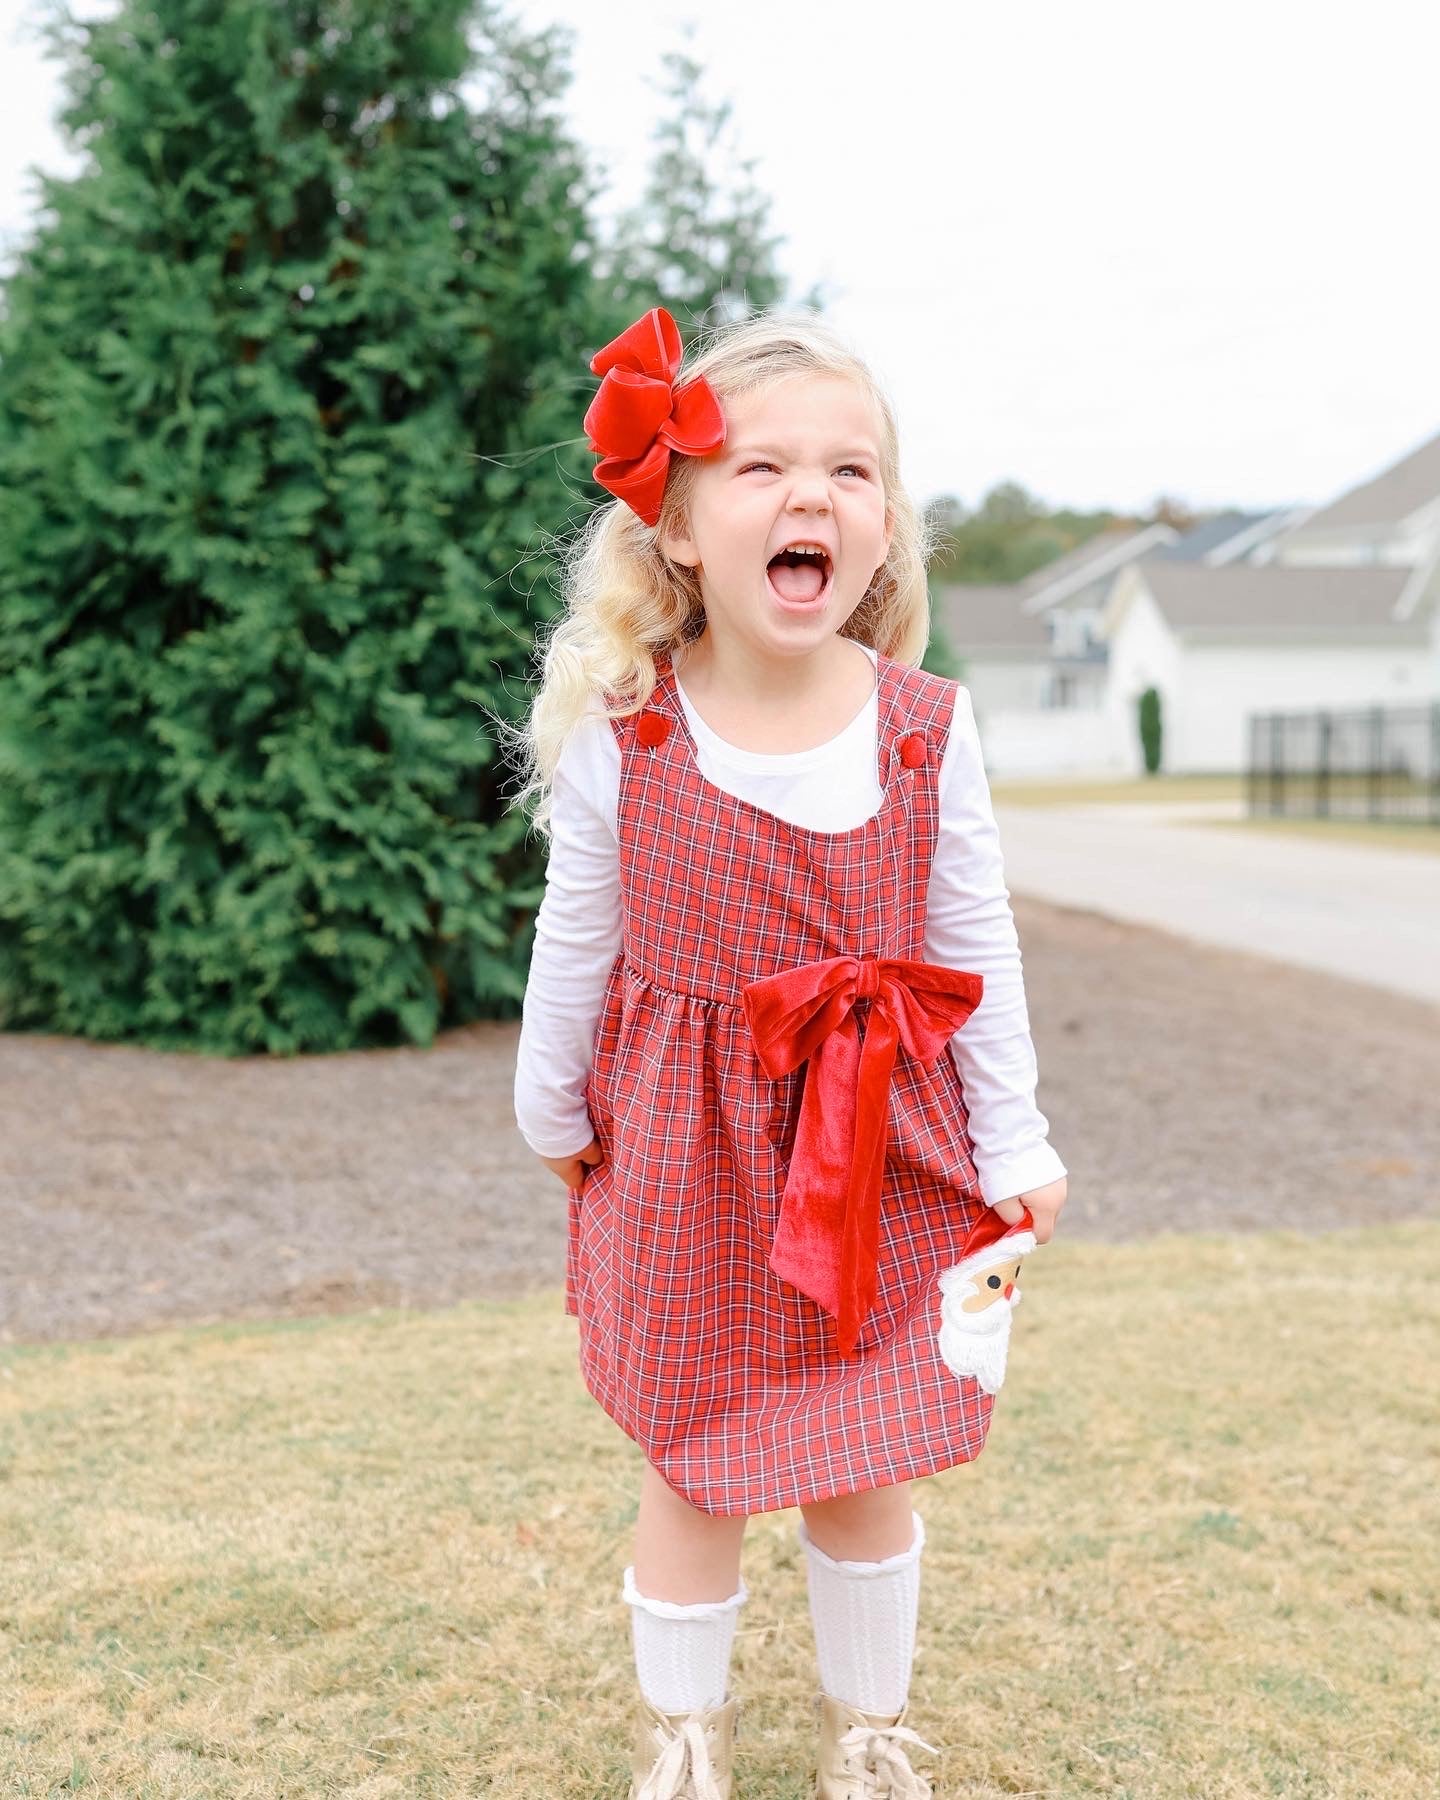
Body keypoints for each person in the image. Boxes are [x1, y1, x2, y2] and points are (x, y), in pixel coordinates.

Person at [505, 304, 1068, 1800]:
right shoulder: (630, 737)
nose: (812, 496)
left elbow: (977, 944)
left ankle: (866, 1735)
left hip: (878, 1143)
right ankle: (685, 1745)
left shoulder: (923, 730)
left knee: (862, 1457)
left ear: (884, 530)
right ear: (680, 529)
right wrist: (548, 1099)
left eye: (852, 470)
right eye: (763, 469)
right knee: (693, 1464)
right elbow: (580, 939)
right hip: (689, 1157)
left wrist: (1015, 1141)